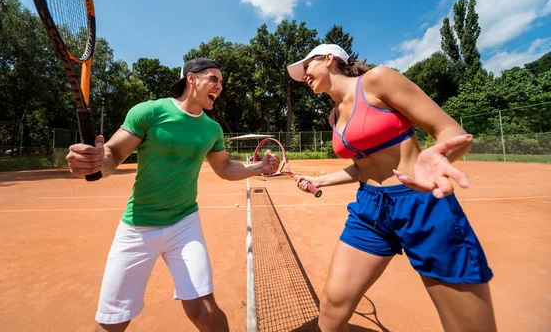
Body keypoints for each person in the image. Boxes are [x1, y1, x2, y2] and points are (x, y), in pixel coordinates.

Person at [286, 44, 497, 332]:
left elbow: (451, 131)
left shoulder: (377, 80)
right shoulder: (334, 117)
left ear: (329, 59)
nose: (304, 76)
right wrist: (320, 180)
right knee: (332, 309)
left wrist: (440, 157)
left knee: (467, 326)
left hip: (421, 202)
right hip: (369, 209)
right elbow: (363, 166)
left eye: (306, 67)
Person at [66, 58, 280, 332]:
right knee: (113, 322)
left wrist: (259, 167)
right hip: (138, 227)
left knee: (205, 311)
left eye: (222, 82)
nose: (220, 86)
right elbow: (114, 153)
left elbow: (225, 167)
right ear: (192, 78)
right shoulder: (150, 111)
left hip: (184, 224)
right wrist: (96, 162)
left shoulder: (211, 129)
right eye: (214, 79)